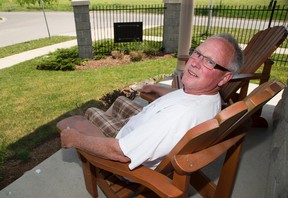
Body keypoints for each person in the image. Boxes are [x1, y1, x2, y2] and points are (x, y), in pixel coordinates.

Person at [60, 33, 244, 170]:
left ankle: (98, 128)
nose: (195, 63)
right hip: (145, 124)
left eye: (210, 62)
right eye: (197, 53)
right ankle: (111, 116)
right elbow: (182, 96)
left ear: (224, 78)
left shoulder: (177, 117)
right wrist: (158, 89)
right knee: (120, 100)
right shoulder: (208, 97)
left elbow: (120, 154)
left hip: (123, 146)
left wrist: (75, 139)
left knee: (86, 115)